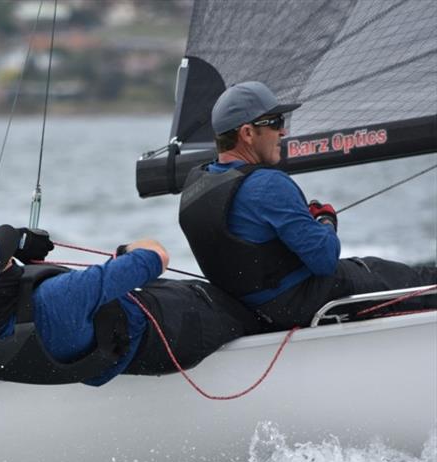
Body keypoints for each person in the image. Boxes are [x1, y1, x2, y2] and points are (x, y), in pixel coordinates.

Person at [178, 81, 436, 328]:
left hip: (251, 308)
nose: (284, 132)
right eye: (276, 123)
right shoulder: (267, 184)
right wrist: (326, 221)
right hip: (298, 303)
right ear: (247, 133)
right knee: (411, 280)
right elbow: (325, 260)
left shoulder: (195, 185)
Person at [0, 221, 262, 386]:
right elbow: (156, 256)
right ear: (3, 271)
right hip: (173, 333)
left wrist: (4, 239)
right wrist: (130, 251)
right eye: (5, 255)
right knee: (246, 308)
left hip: (106, 359)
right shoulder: (60, 297)